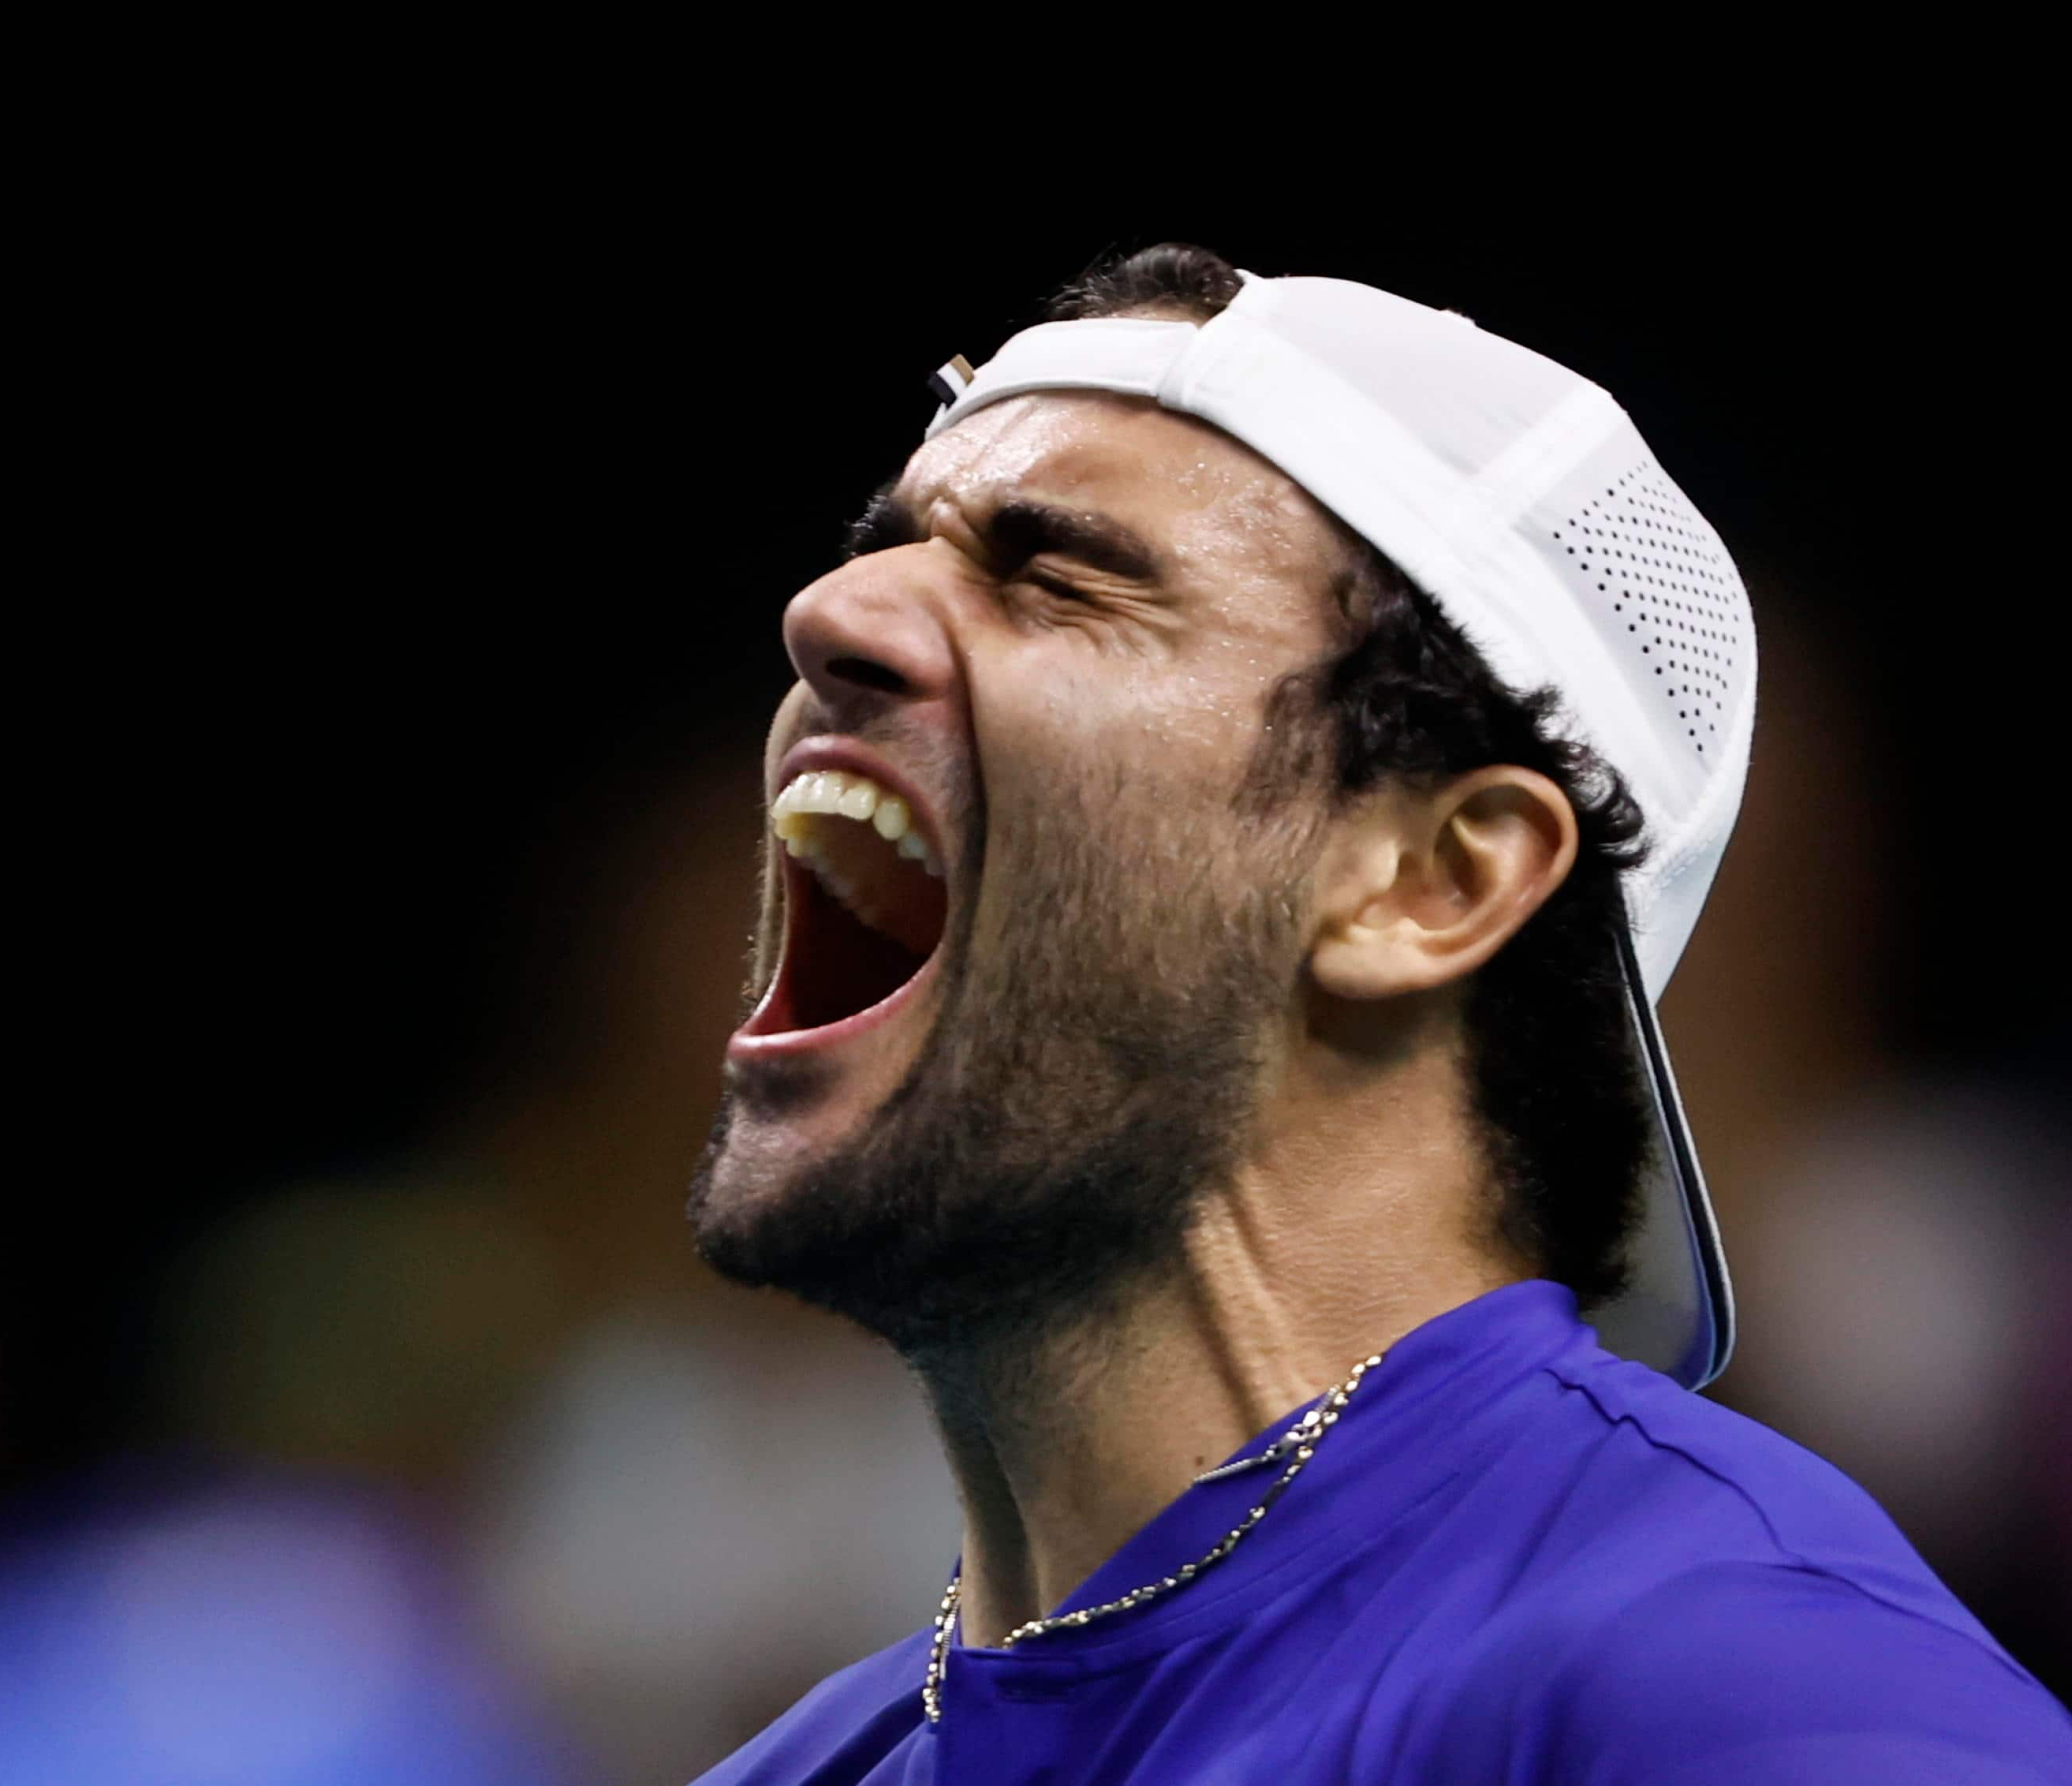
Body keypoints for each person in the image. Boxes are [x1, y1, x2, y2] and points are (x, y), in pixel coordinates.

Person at [682, 244, 2072, 1783]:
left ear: (1431, 876)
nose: (832, 611)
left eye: (1054, 573)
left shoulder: (1738, 1677)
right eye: (886, 543)